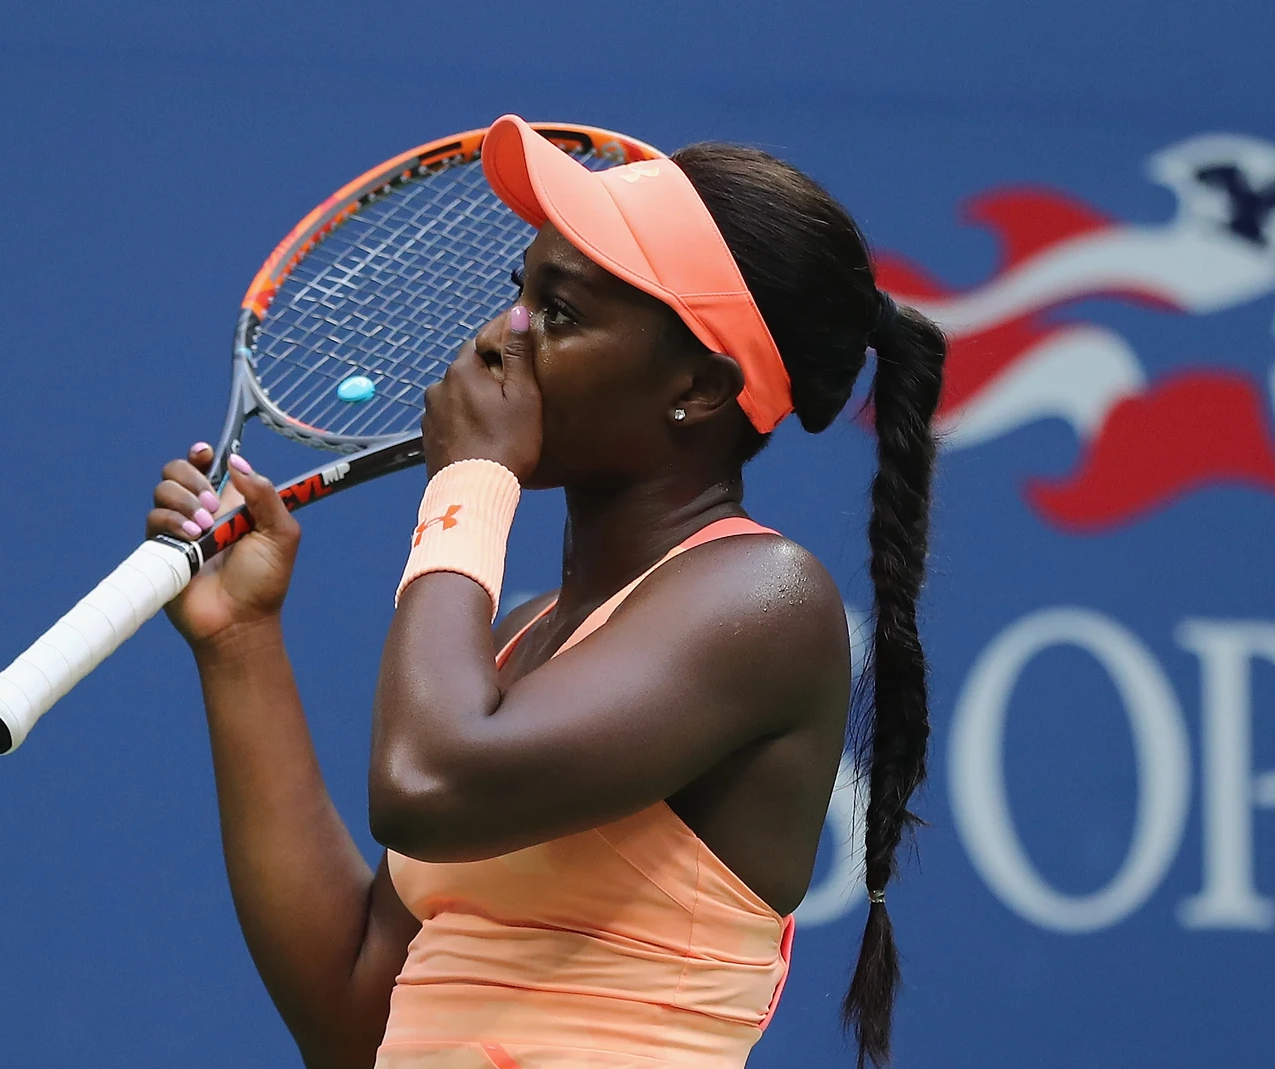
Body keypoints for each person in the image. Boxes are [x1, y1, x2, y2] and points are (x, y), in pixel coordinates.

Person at [144, 115, 946, 1069]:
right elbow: (355, 1014)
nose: (499, 337)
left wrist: (469, 482)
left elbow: (428, 781)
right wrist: (242, 644)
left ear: (696, 386)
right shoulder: (522, 641)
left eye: (557, 314)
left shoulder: (764, 599)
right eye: (514, 293)